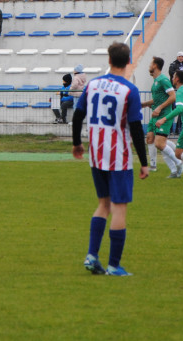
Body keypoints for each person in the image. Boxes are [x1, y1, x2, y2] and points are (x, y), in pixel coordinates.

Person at [72, 41, 148, 276]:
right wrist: (144, 162)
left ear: (108, 60)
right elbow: (136, 128)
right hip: (119, 157)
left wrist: (76, 143)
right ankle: (114, 265)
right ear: (128, 62)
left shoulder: (93, 84)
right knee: (119, 208)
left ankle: (92, 255)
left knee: (103, 205)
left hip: (96, 154)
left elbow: (77, 115)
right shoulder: (129, 90)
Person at [141, 56, 178, 176]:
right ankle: (153, 165)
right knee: (150, 138)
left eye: (151, 63)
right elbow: (157, 100)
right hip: (155, 115)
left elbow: (173, 97)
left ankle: (178, 160)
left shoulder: (163, 80)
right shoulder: (155, 81)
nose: (149, 66)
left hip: (164, 115)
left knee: (159, 142)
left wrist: (160, 108)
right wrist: (144, 104)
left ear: (155, 66)